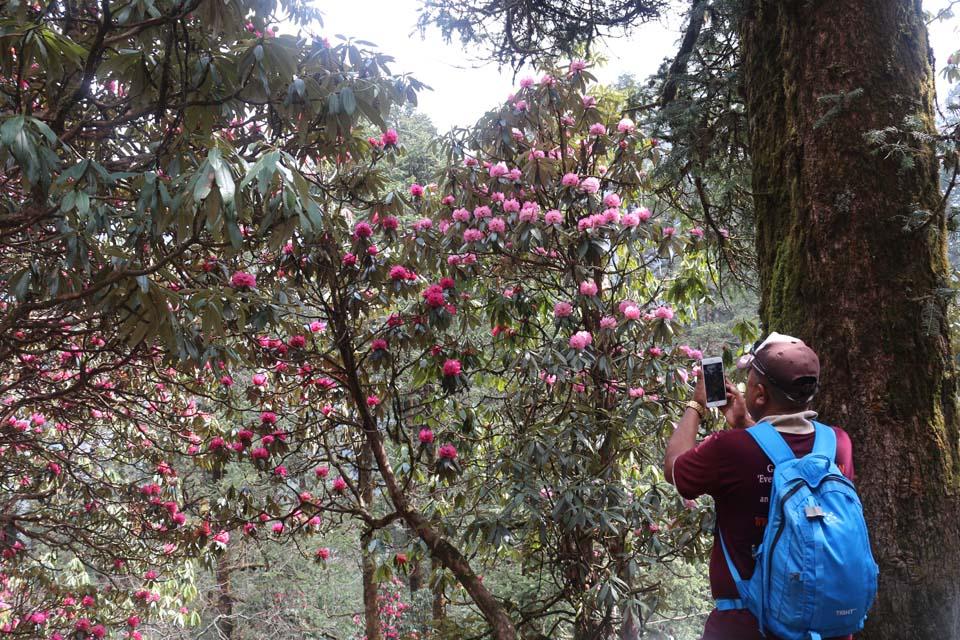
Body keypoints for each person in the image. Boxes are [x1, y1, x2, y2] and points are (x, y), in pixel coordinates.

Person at [663, 333, 855, 640]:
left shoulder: (729, 449)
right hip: (824, 626)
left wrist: (697, 405)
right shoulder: (837, 444)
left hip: (746, 626)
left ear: (760, 394)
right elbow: (792, 464)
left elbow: (675, 469)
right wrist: (746, 425)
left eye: (750, 380)